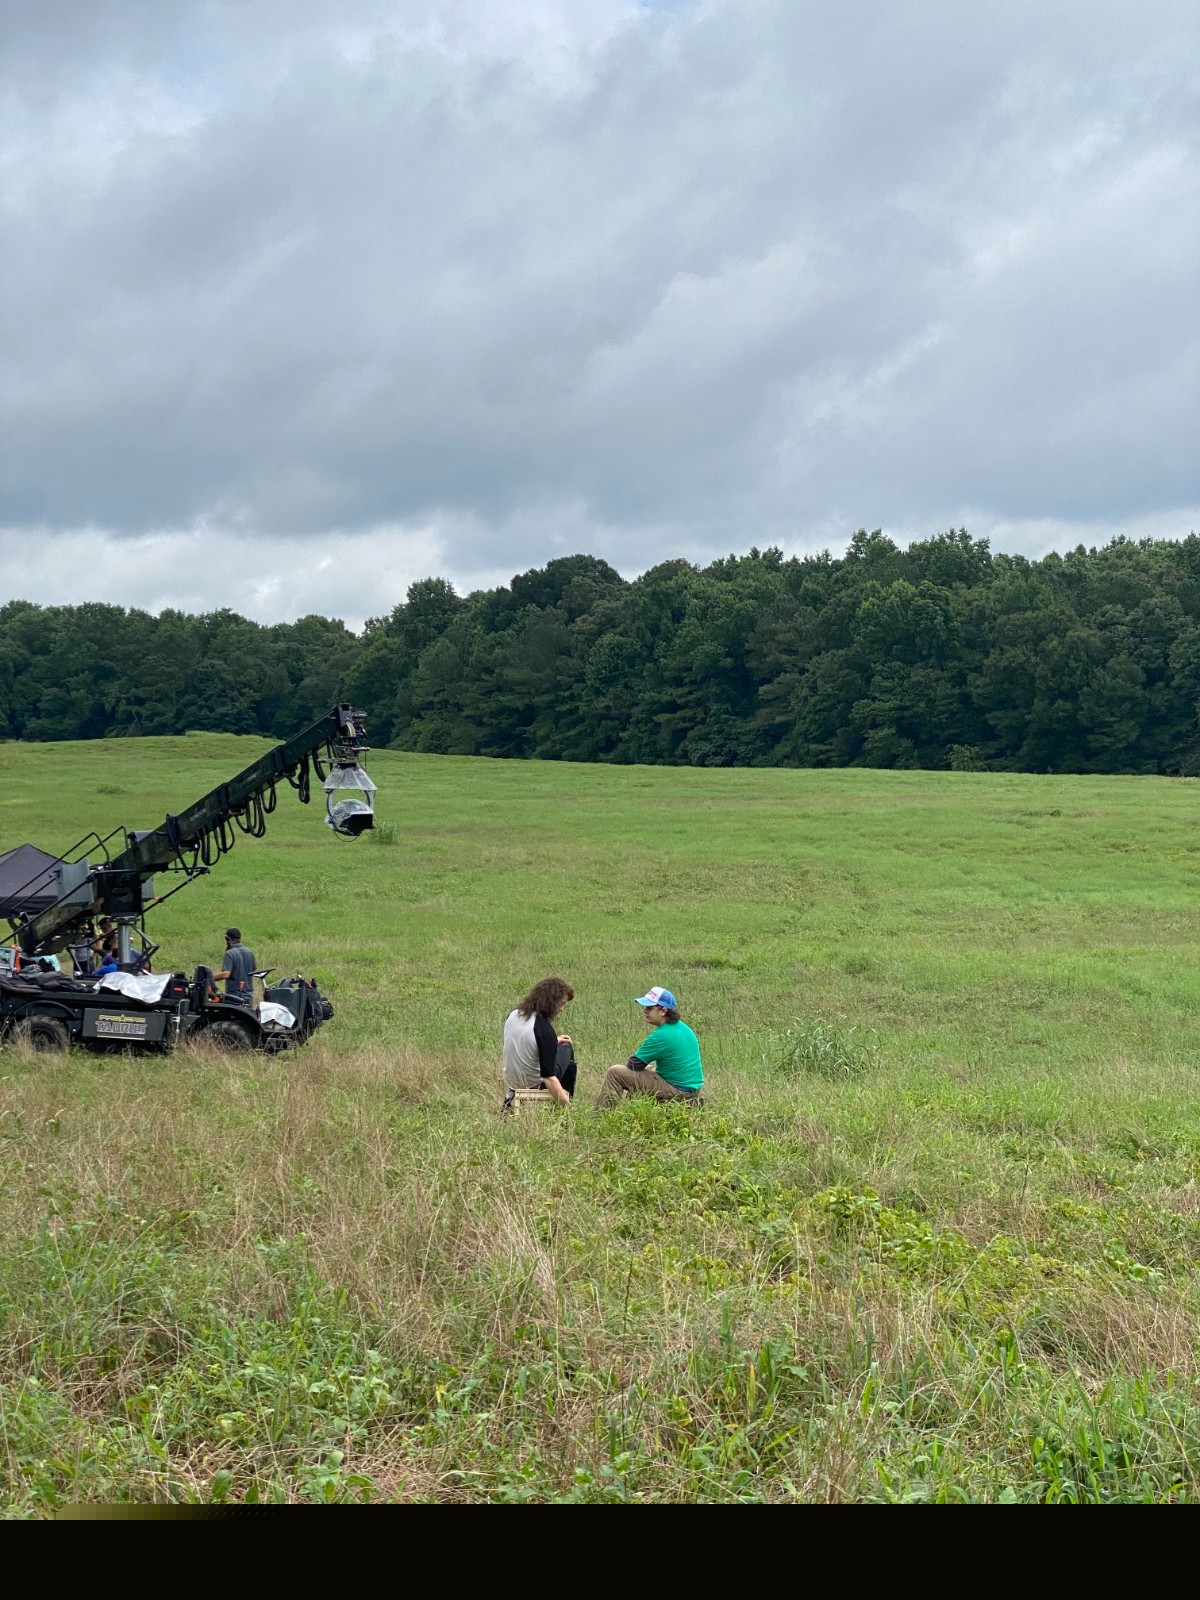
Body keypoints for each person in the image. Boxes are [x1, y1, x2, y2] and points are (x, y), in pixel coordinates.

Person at [596, 986, 704, 1109]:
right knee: (647, 1072)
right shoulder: (683, 1028)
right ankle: (637, 1116)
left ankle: (599, 1118)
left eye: (649, 1007)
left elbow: (634, 1064)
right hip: (693, 1088)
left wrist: (644, 1068)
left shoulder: (661, 1036)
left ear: (663, 1011)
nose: (645, 1010)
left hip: (679, 1091)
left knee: (615, 1072)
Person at [502, 976, 576, 1110]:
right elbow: (548, 1078)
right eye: (562, 1003)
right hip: (533, 1083)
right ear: (551, 1002)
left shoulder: (512, 1015)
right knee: (567, 1051)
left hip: (513, 1080)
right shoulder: (543, 1029)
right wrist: (568, 1106)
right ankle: (562, 1113)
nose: (562, 1009)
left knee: (559, 1043)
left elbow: (525, 1042)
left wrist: (553, 1042)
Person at [213, 927, 257, 1008]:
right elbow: (254, 970)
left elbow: (225, 974)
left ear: (228, 938)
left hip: (235, 997)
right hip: (248, 996)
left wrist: (210, 978)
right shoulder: (249, 952)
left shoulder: (229, 953)